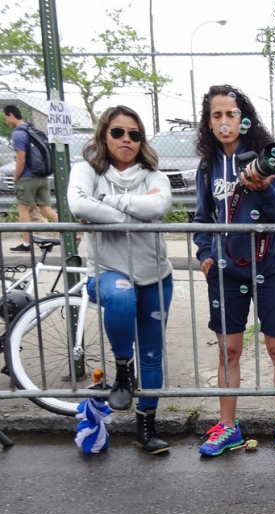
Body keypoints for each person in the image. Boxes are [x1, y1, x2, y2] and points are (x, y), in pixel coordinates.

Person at [192, 85, 275, 458]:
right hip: (225, 272)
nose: (224, 121)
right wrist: (204, 253)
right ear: (208, 123)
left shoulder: (267, 159)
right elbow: (202, 217)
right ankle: (228, 427)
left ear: (244, 119)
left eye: (231, 114)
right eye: (216, 115)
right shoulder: (207, 167)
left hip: (270, 268)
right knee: (229, 351)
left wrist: (266, 189)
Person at [67, 105, 173, 455]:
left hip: (156, 276)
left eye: (134, 134)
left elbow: (158, 207)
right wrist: (134, 214)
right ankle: (123, 369)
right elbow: (79, 206)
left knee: (153, 354)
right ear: (104, 134)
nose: (126, 139)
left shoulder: (154, 175)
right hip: (108, 273)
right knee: (122, 296)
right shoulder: (86, 170)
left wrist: (106, 203)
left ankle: (146, 426)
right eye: (118, 132)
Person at [3, 104, 59, 252]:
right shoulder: (32, 129)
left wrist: (16, 177)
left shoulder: (18, 134)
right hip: (42, 176)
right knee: (46, 209)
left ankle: (27, 244)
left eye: (6, 117)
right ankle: (70, 235)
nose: (6, 121)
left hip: (27, 177)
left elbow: (21, 160)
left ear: (11, 115)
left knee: (24, 210)